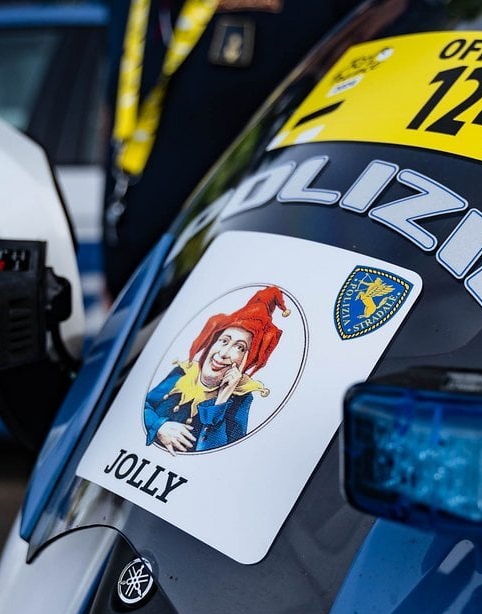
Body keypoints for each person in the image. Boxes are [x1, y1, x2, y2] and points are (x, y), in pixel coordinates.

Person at [104, 0, 366, 297]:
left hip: (260, 256)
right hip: (140, 264)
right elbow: (115, 115)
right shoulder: (132, 8)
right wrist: (113, 262)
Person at [144, 284, 289, 452]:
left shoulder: (240, 400)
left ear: (246, 361)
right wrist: (159, 426)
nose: (224, 353)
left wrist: (221, 401)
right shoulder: (184, 372)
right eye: (224, 340)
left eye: (240, 347)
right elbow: (143, 405)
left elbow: (214, 454)